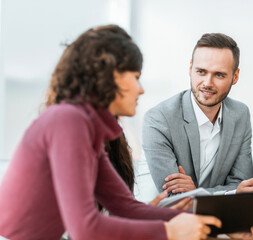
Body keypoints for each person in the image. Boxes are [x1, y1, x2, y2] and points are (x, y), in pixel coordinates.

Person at [0, 24, 225, 240]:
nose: (141, 89)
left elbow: (127, 208)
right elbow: (85, 230)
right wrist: (169, 232)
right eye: (136, 77)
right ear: (112, 76)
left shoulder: (86, 127)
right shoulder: (69, 121)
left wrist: (222, 224)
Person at [143, 33, 253, 195]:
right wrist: (227, 193)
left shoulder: (240, 114)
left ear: (235, 76)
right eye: (201, 72)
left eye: (219, 75)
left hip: (223, 218)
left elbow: (242, 185)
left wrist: (197, 192)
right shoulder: (159, 119)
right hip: (172, 218)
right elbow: (173, 195)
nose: (207, 83)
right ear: (190, 68)